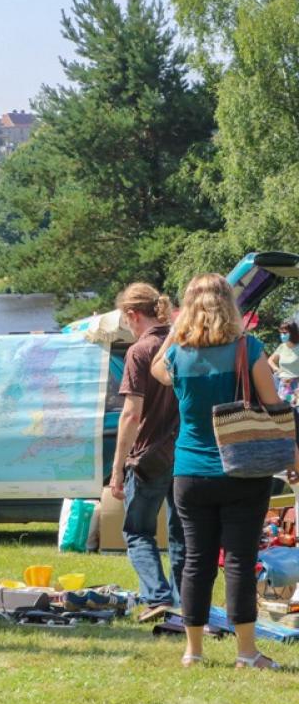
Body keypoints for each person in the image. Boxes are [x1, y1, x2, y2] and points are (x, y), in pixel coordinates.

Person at [152, 273, 299, 669]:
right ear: (229, 305)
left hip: (189, 473)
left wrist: (176, 329)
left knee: (197, 560)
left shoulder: (178, 356)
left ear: (189, 308)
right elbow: (274, 407)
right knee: (239, 559)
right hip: (244, 472)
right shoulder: (247, 349)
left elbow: (155, 369)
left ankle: (193, 652)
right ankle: (246, 652)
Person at [110, 283, 185, 617]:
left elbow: (131, 414)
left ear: (132, 315)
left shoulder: (140, 351)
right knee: (181, 535)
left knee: (138, 531)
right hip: (185, 453)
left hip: (149, 456)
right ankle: (185, 603)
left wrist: (116, 470)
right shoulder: (183, 344)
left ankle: (157, 597)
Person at [268, 320, 299, 403]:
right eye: (281, 333)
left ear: (293, 333)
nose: (282, 335)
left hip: (297, 386)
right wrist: (276, 369)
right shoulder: (282, 347)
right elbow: (270, 360)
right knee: (287, 411)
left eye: (285, 333)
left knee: (297, 408)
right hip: (284, 386)